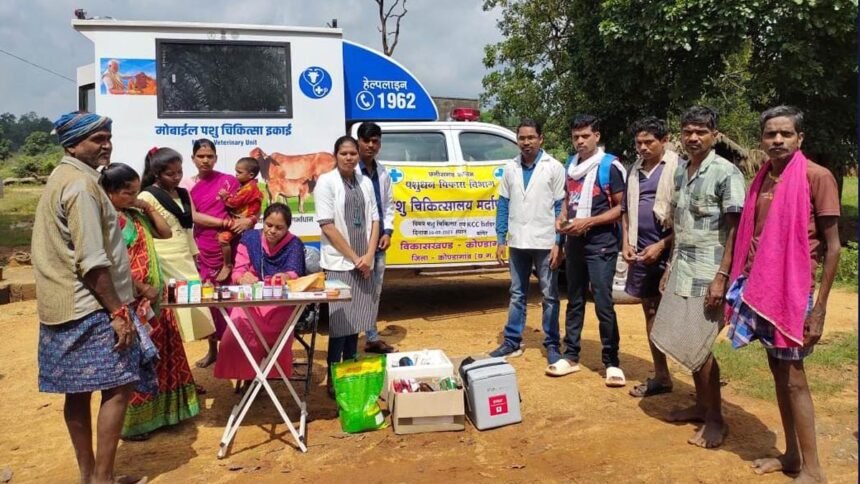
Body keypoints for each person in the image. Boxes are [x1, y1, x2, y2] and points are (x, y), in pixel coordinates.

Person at [33, 112, 155, 484]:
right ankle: (101, 478)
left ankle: (89, 476)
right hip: (91, 307)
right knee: (119, 387)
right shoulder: (84, 188)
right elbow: (91, 260)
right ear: (72, 144)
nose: (106, 145)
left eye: (108, 137)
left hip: (62, 305)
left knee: (77, 391)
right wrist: (118, 311)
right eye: (97, 138)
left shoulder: (64, 177)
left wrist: (135, 287)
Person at [725, 106, 840, 481]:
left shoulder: (815, 176)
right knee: (778, 371)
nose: (777, 140)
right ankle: (791, 456)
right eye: (771, 134)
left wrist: (819, 309)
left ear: (800, 138)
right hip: (761, 288)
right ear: (761, 140)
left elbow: (833, 247)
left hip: (792, 292)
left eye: (785, 134)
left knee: (794, 376)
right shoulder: (762, 179)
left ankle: (814, 469)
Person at [649, 106, 745, 449]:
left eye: (701, 131)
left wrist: (722, 277)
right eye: (688, 131)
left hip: (710, 272)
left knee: (702, 346)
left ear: (714, 135)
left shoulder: (726, 173)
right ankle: (702, 406)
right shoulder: (680, 172)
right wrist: (671, 268)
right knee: (688, 342)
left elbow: (736, 230)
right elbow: (681, 226)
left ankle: (716, 420)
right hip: (683, 269)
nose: (693, 137)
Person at [99, 163, 201, 441]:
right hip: (132, 301)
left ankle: (167, 414)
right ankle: (136, 423)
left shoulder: (134, 214)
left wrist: (148, 208)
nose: (134, 197)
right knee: (139, 361)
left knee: (164, 354)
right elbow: (111, 265)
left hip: (154, 300)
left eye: (136, 191)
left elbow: (165, 233)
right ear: (109, 193)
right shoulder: (110, 221)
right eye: (127, 193)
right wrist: (141, 286)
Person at [489, 119, 566, 375]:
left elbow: (560, 208)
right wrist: (501, 238)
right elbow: (503, 204)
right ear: (517, 140)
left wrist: (558, 242)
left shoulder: (553, 167)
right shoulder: (509, 168)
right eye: (522, 138)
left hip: (545, 242)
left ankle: (552, 344)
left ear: (541, 139)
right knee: (517, 293)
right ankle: (512, 341)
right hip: (518, 241)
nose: (526, 142)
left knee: (550, 294)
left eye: (531, 137)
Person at [556, 114, 627, 386]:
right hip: (574, 243)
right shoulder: (571, 165)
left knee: (603, 302)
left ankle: (612, 362)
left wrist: (589, 222)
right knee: (573, 300)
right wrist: (561, 220)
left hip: (601, 245)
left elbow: (621, 208)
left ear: (597, 135)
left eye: (585, 136)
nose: (580, 141)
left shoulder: (610, 166)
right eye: (576, 137)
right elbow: (567, 199)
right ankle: (571, 355)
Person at [314, 136, 380, 397]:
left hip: (364, 260)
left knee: (357, 320)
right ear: (336, 155)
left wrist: (370, 255)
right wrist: (355, 258)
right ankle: (334, 376)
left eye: (353, 153)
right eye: (344, 153)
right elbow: (327, 225)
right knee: (340, 322)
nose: (350, 157)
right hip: (340, 262)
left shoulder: (364, 181)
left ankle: (350, 371)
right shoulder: (326, 182)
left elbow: (375, 219)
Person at [182, 139, 255, 368]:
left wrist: (249, 220)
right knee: (210, 298)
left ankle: (236, 351)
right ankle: (212, 349)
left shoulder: (229, 181)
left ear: (216, 157)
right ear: (193, 158)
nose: (205, 160)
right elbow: (193, 216)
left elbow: (247, 207)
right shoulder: (186, 185)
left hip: (231, 246)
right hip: (205, 246)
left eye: (210, 156)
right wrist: (224, 222)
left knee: (234, 297)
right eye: (201, 156)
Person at [214, 203, 306, 383]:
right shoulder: (250, 239)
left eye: (279, 228)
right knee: (238, 319)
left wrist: (286, 276)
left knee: (279, 321)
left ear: (288, 228)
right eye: (269, 225)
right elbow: (237, 271)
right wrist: (242, 277)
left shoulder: (294, 243)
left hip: (280, 302)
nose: (272, 231)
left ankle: (266, 373)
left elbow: (295, 273)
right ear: (263, 222)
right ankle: (248, 373)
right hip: (252, 298)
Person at [622, 117, 679, 398]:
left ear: (664, 140)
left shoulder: (678, 168)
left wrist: (663, 244)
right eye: (639, 143)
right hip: (642, 253)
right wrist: (626, 243)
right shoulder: (633, 170)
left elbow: (686, 218)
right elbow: (626, 211)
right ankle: (662, 375)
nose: (643, 148)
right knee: (651, 312)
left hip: (675, 253)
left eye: (649, 142)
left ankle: (702, 374)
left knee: (684, 314)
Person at [138, 147, 217, 346]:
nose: (176, 177)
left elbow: (187, 226)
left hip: (185, 255)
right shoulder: (147, 197)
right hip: (163, 258)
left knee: (193, 300)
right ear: (157, 174)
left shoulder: (183, 193)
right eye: (170, 174)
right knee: (174, 306)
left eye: (179, 172)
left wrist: (194, 253)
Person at [356, 122, 396, 354]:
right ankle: (350, 337)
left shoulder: (382, 172)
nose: (371, 145)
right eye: (367, 141)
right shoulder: (351, 172)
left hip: (378, 240)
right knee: (351, 290)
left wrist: (388, 232)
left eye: (375, 141)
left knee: (374, 290)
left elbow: (388, 205)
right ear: (359, 141)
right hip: (355, 241)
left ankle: (371, 336)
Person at [216, 157, 264, 283]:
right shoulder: (245, 186)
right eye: (236, 172)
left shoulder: (249, 188)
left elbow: (234, 202)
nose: (236, 175)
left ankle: (227, 265)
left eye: (239, 172)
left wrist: (225, 196)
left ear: (251, 175)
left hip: (242, 222)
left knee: (223, 238)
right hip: (239, 220)